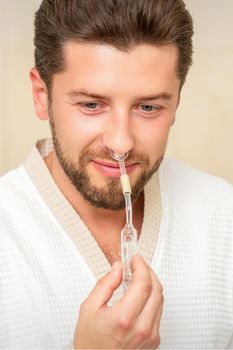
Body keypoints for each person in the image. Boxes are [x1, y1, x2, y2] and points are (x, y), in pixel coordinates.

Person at [0, 0, 233, 348]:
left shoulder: (224, 213)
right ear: (41, 95)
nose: (121, 143)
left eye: (148, 107)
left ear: (177, 103)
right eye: (91, 105)